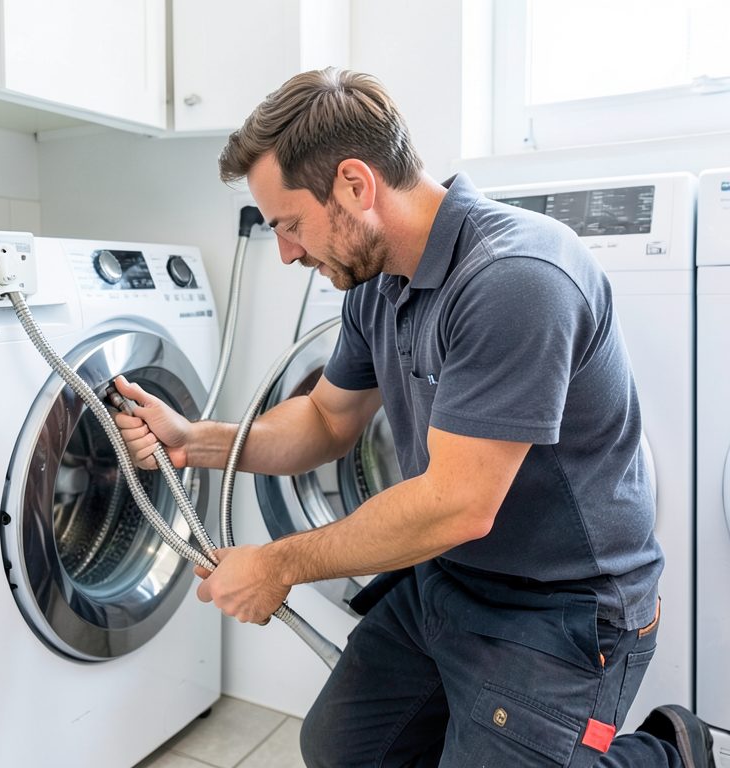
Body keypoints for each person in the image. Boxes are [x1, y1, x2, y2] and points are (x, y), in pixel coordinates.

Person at [113, 68, 714, 768]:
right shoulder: (377, 285)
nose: (287, 252)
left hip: (563, 608)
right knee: (341, 750)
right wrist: (197, 442)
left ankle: (668, 754)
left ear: (354, 185)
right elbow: (327, 419)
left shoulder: (513, 277)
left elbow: (459, 505)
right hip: (449, 576)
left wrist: (278, 564)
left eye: (290, 225)